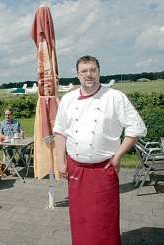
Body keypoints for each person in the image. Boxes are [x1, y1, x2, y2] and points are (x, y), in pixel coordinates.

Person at [53, 55, 147, 245]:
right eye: (84, 71)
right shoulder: (68, 99)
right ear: (77, 74)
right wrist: (60, 162)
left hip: (103, 170)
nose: (89, 74)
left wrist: (118, 156)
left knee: (105, 218)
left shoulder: (115, 97)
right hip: (76, 169)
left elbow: (136, 128)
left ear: (99, 71)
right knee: (80, 218)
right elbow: (60, 132)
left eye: (92, 70)